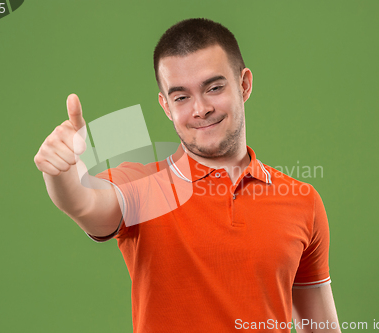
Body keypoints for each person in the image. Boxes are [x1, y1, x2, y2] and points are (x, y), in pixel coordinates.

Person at [34, 18, 342, 333]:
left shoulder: (302, 201)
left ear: (244, 84)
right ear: (166, 106)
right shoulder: (142, 186)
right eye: (181, 97)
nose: (200, 109)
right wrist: (63, 174)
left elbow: (320, 326)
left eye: (214, 88)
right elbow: (85, 204)